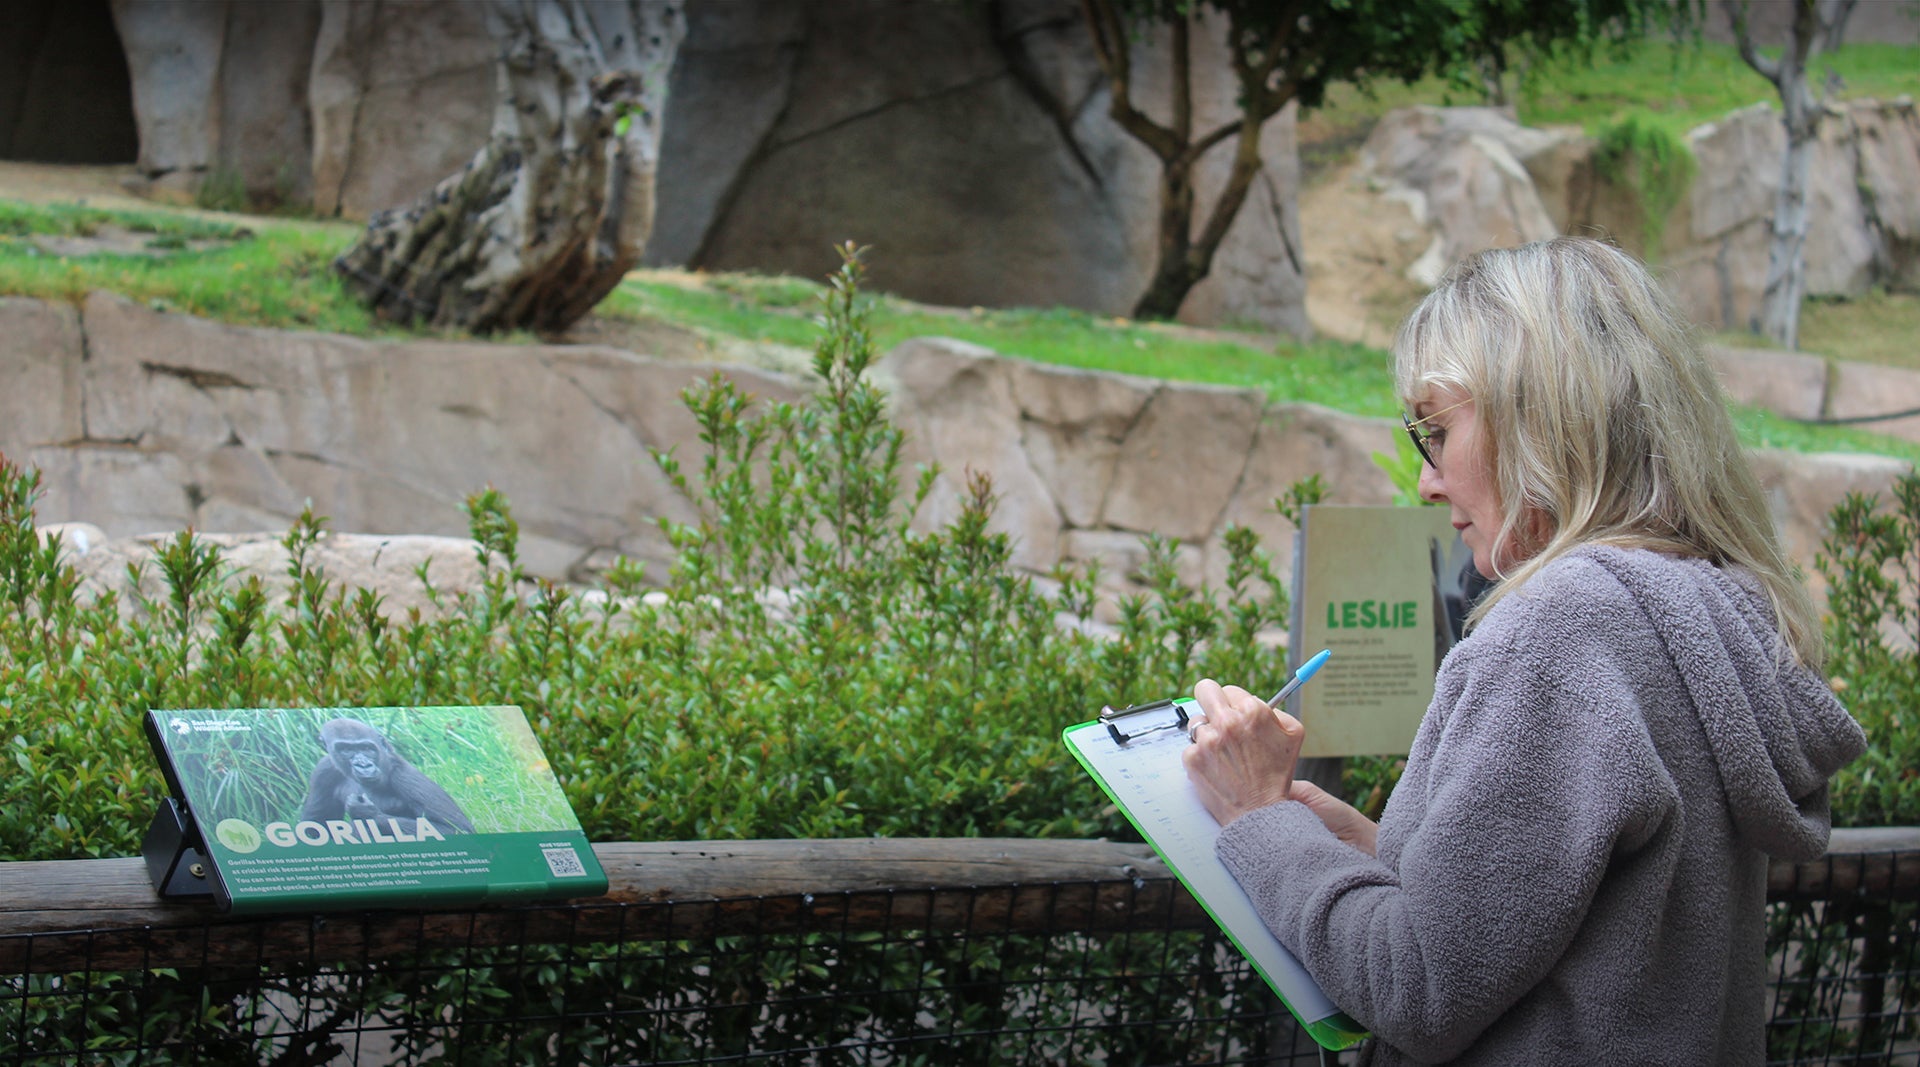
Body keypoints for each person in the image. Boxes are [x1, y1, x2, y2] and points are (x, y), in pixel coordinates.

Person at [1183, 237, 1866, 1066]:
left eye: (1435, 431)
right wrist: (1359, 846)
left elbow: (1419, 988)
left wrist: (1258, 822)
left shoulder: (1558, 632)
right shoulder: (1703, 605)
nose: (1428, 482)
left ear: (1543, 419)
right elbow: (1561, 913)